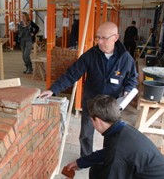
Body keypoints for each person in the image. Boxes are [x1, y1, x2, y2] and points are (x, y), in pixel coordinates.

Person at [39, 22, 138, 157]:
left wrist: (128, 89)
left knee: (112, 135)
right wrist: (53, 90)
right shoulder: (91, 55)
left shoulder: (125, 58)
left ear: (115, 37)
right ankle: (86, 158)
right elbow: (72, 74)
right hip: (91, 101)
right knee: (86, 133)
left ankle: (108, 158)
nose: (100, 41)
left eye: (104, 38)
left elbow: (132, 78)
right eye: (98, 37)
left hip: (111, 104)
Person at [65, 95, 164, 179]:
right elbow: (106, 152)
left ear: (97, 121)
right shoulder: (121, 130)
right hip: (146, 172)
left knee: (98, 173)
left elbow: (113, 159)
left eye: (91, 120)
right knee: (97, 169)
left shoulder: (118, 149)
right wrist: (81, 162)